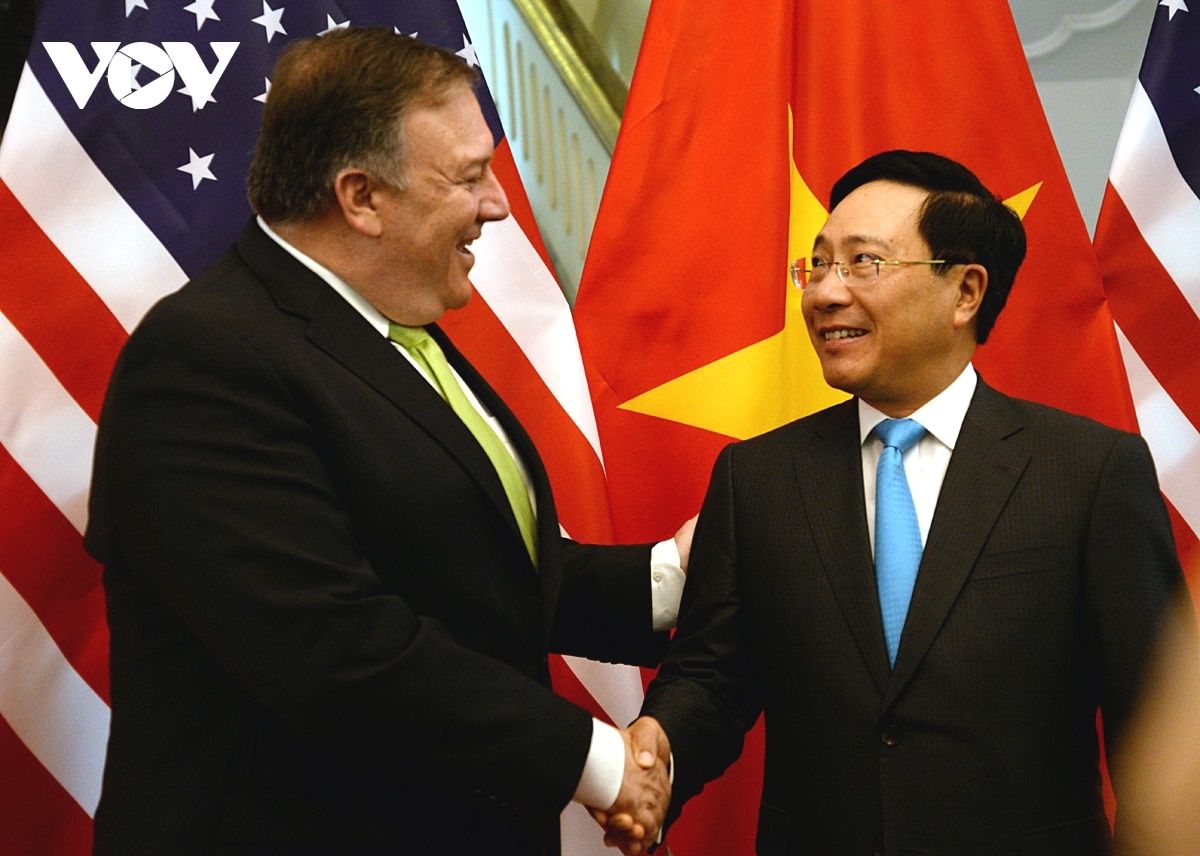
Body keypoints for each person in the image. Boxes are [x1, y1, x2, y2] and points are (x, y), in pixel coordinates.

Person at [85, 28, 679, 856]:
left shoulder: (389, 327)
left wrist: (673, 577)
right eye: (470, 176)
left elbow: (469, 569)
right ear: (361, 197)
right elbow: (331, 648)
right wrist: (600, 760)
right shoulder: (203, 362)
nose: (499, 203)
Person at [627, 150, 1197, 855]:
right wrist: (659, 756)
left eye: (864, 263)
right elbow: (713, 679)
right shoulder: (758, 478)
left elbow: (1165, 722)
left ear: (965, 292)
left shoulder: (1088, 472)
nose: (825, 294)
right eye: (818, 264)